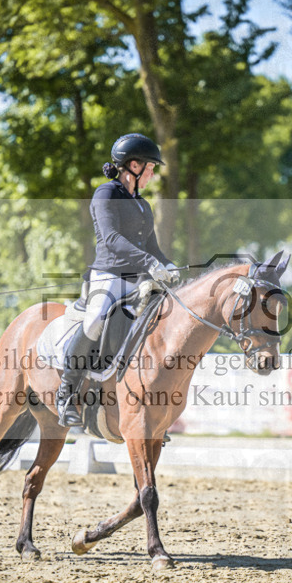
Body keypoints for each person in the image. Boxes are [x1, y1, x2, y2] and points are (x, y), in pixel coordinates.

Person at [56, 133, 180, 427]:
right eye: (150, 168)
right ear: (133, 166)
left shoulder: (142, 205)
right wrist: (150, 263)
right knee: (96, 318)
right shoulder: (106, 194)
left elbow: (153, 248)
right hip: (108, 275)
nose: (152, 174)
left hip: (138, 281)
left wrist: (168, 264)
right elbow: (111, 239)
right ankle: (66, 392)